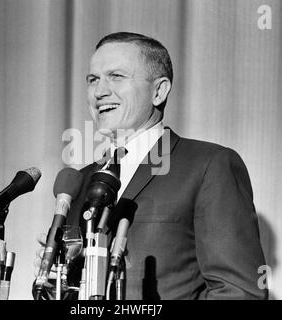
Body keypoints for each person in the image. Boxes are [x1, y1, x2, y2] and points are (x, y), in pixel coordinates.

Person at [34, 32, 268, 300]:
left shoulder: (208, 165)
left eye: (116, 76)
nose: (100, 91)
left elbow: (239, 293)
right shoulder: (81, 180)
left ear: (159, 91)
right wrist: (60, 284)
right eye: (93, 80)